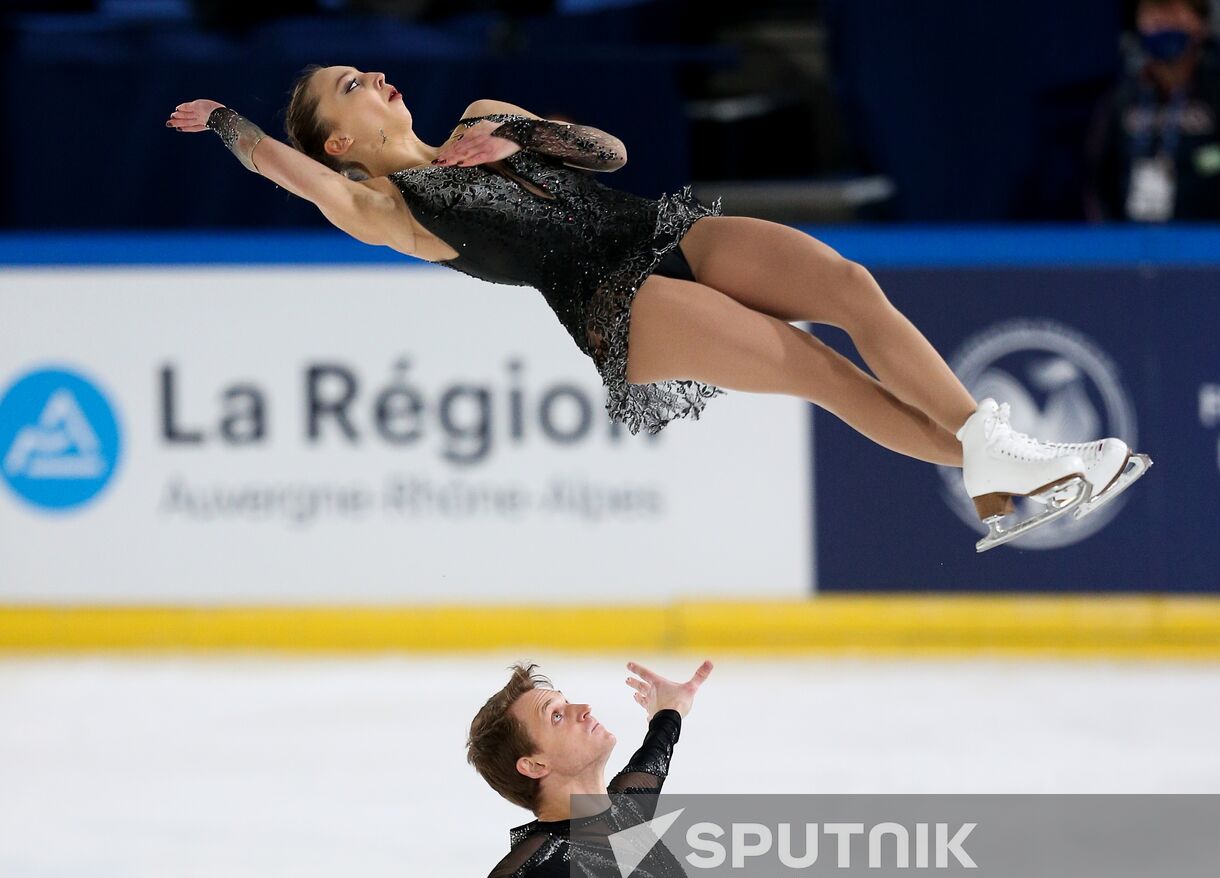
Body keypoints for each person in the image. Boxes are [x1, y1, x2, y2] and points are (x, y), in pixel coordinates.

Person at [166, 69, 1149, 549]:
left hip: (656, 230)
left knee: (846, 287)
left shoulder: (476, 118)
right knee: (814, 368)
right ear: (340, 142)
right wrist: (227, 126)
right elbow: (300, 182)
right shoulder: (388, 209)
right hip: (616, 302)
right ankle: (1026, 469)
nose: (375, 79)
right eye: (351, 88)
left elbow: (606, 156)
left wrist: (520, 133)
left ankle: (1000, 457)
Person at [239, 659, 716, 878]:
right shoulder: (548, 868)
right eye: (557, 715)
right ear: (534, 764)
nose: (583, 709)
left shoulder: (624, 813)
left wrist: (669, 713)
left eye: (567, 703)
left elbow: (650, 766)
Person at [1089, 0, 1220, 221]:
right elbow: (1097, 177)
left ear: (1200, 23)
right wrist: (1109, 241)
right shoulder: (1122, 97)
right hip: (1133, 246)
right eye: (1154, 14)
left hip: (1208, 245)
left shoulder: (1215, 92)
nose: (1163, 24)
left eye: (1173, 14)